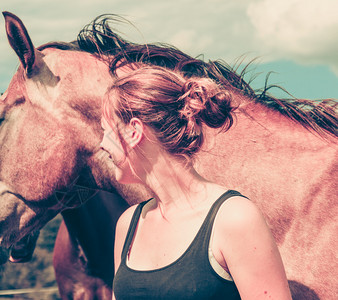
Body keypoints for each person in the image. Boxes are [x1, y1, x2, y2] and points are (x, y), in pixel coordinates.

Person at [100, 65, 292, 299]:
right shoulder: (128, 225)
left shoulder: (234, 218)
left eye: (106, 131)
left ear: (134, 132)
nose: (102, 144)